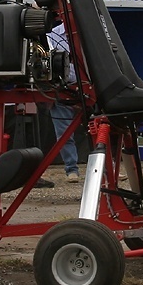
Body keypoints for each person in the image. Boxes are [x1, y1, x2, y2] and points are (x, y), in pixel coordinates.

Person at [47, 22, 81, 182]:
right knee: (64, 132)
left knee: (101, 129)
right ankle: (71, 169)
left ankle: (107, 170)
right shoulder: (51, 36)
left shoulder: (86, 32)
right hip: (63, 88)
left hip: (88, 87)